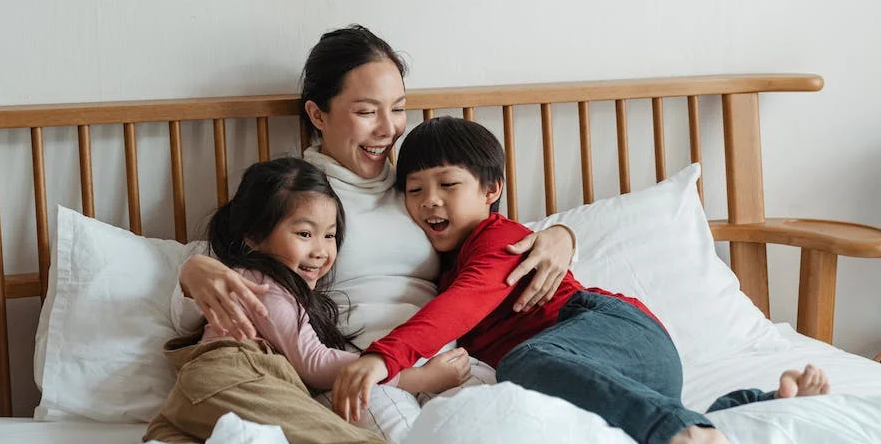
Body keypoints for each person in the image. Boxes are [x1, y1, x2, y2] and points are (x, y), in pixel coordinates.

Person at [330, 117, 831, 444]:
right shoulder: (441, 264)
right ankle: (752, 407)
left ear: (492, 190)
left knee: (523, 362)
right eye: (414, 190)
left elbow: (469, 300)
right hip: (609, 372)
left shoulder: (500, 238)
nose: (429, 200)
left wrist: (383, 356)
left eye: (448, 184)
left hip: (606, 329)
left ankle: (681, 432)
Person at [177, 25, 579, 350]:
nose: (389, 130)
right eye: (368, 112)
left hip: (443, 358)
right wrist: (191, 273)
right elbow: (236, 285)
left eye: (399, 108)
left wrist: (561, 237)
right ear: (318, 114)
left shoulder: (420, 190)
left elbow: (488, 240)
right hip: (353, 363)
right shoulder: (291, 193)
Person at [143, 158, 472, 444]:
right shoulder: (261, 285)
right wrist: (421, 379)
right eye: (304, 234)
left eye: (329, 235)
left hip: (210, 396)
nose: (320, 250)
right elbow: (314, 363)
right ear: (254, 236)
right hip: (230, 379)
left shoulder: (281, 289)